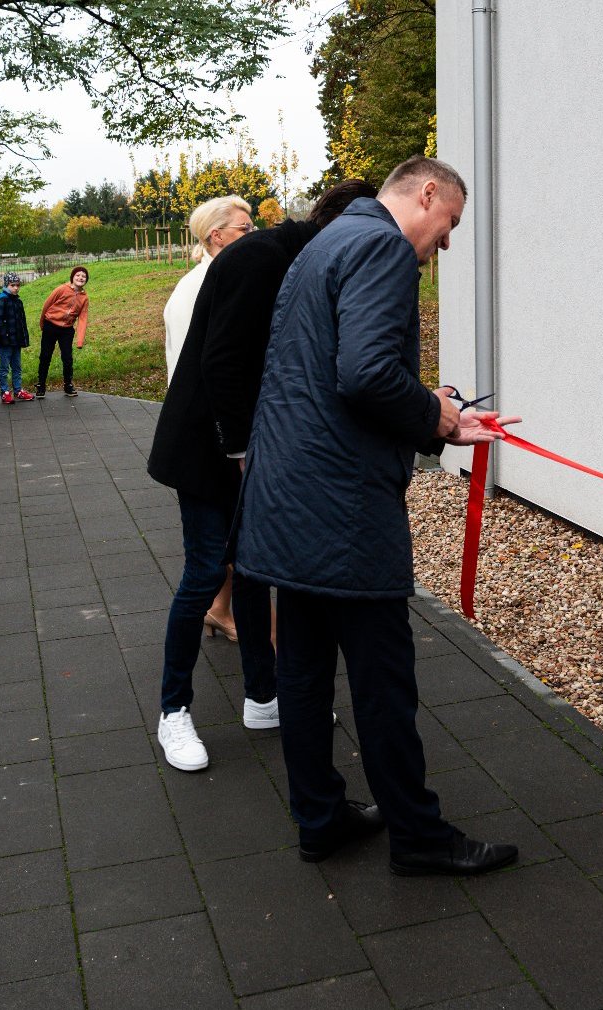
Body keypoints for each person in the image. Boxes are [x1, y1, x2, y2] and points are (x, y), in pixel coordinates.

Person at [235, 157, 520, 874]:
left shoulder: (324, 242)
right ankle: (419, 839)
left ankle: (320, 818)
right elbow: (363, 373)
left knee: (301, 672)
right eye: (448, 223)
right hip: (343, 510)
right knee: (383, 678)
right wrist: (441, 419)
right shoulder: (383, 246)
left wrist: (432, 415)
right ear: (426, 193)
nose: (444, 243)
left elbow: (327, 369)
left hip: (286, 500)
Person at [147, 179, 379, 773]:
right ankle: (173, 712)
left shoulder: (295, 256)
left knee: (252, 574)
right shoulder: (261, 258)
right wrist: (245, 449)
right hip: (208, 449)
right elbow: (222, 361)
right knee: (204, 574)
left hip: (247, 445)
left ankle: (262, 696)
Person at [163, 195, 253, 382]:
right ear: (217, 235)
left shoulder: (236, 280)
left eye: (253, 228)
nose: (253, 235)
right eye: (245, 229)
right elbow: (185, 363)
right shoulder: (192, 289)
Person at [36, 265, 89, 397]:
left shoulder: (84, 298)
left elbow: (83, 318)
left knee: (67, 358)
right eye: (78, 275)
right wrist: (42, 322)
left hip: (66, 329)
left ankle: (68, 384)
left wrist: (80, 341)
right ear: (72, 277)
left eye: (83, 276)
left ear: (86, 280)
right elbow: (47, 304)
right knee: (45, 356)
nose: (80, 278)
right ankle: (41, 384)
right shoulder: (61, 289)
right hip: (51, 325)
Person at [0, 273, 32, 404]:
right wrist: (5, 337)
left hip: (17, 340)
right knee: (4, 368)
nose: (15, 288)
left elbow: (22, 322)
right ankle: (5, 392)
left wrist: (24, 338)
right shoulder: (1, 300)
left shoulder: (18, 301)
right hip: (5, 342)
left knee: (17, 367)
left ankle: (18, 390)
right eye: (12, 285)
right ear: (6, 285)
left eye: (17, 285)